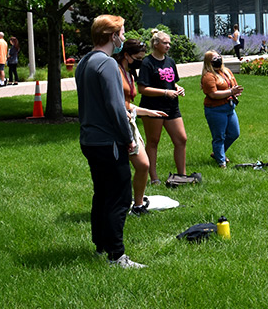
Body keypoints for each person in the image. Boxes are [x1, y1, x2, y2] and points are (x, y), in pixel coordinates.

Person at [76, 14, 146, 268]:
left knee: (102, 194)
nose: (124, 38)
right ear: (111, 36)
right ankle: (117, 255)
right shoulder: (106, 64)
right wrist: (128, 138)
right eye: (122, 33)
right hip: (108, 142)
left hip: (90, 140)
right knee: (119, 197)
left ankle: (101, 246)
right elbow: (116, 107)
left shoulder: (84, 62)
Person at [114, 40, 167, 215]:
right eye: (137, 58)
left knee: (143, 165)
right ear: (126, 55)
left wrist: (150, 112)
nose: (140, 62)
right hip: (117, 123)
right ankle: (118, 205)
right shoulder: (115, 71)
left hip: (130, 122)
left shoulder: (129, 73)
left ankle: (137, 205)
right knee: (120, 169)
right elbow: (115, 101)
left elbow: (128, 103)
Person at [137, 30, 188, 184]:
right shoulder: (147, 63)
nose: (168, 45)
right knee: (153, 141)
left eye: (169, 42)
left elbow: (171, 82)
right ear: (156, 44)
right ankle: (154, 178)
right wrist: (165, 92)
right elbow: (142, 89)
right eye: (165, 43)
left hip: (172, 106)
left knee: (181, 139)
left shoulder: (170, 61)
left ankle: (182, 176)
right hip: (153, 108)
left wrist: (178, 88)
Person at [201, 51, 244, 167]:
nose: (218, 59)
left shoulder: (226, 72)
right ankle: (221, 162)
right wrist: (230, 92)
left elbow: (234, 85)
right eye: (215, 58)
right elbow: (213, 94)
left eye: (219, 56)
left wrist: (235, 92)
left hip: (229, 107)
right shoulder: (208, 76)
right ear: (209, 62)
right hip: (215, 109)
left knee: (234, 133)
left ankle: (217, 153)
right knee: (219, 136)